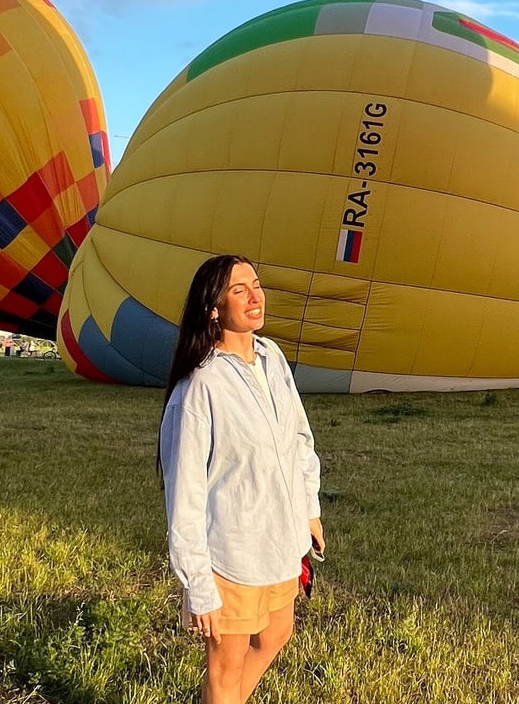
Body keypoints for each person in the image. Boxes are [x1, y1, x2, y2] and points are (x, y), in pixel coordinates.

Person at [160, 255, 324, 704]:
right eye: (239, 290)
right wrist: (197, 582)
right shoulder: (200, 387)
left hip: (279, 540)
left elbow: (298, 438)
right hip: (231, 553)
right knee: (225, 666)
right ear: (213, 308)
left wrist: (309, 510)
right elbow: (185, 493)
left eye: (257, 285)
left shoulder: (271, 358)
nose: (256, 296)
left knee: (275, 633)